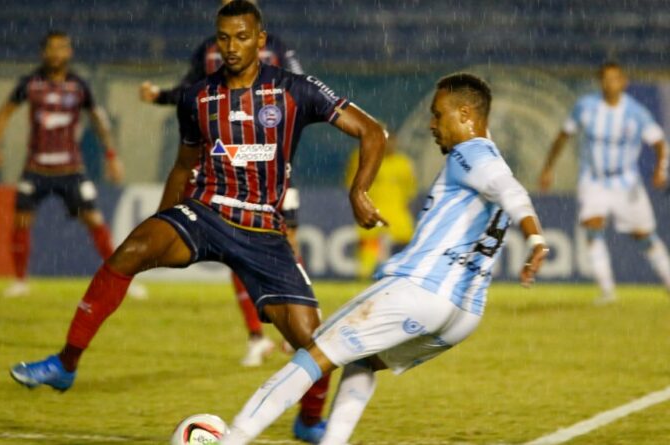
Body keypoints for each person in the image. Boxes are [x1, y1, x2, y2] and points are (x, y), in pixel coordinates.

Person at [10, 2, 387, 443]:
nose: (231, 47)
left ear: (261, 41)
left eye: (242, 37)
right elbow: (183, 165)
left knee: (316, 344)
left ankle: (307, 420)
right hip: (205, 211)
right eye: (223, 38)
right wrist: (164, 218)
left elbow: (372, 131)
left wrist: (358, 190)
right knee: (129, 252)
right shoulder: (197, 97)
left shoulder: (295, 89)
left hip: (264, 229)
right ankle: (65, 364)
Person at [217, 73, 548, 445]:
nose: (431, 124)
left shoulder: (470, 153)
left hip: (420, 290)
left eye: (438, 115)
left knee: (314, 354)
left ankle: (231, 439)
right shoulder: (494, 158)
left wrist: (534, 236)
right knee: (363, 359)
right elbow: (509, 190)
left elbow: (510, 191)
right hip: (464, 314)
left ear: (467, 115)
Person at [140, 0, 303, 368]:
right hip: (225, 169)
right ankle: (256, 337)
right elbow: (189, 90)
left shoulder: (276, 47)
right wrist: (160, 97)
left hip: (269, 168)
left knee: (287, 244)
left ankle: (295, 329)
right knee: (235, 253)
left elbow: (297, 93)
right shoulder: (209, 49)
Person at [0, 31, 128, 299]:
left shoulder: (78, 85)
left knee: (94, 219)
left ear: (69, 52)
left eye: (62, 48)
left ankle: (118, 277)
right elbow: (4, 113)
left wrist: (111, 156)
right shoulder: (31, 83)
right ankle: (20, 282)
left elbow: (98, 119)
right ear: (44, 53)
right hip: (36, 168)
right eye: (51, 48)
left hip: (70, 169)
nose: (56, 53)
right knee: (21, 220)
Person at [540, 61, 670, 305]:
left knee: (644, 236)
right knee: (592, 228)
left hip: (626, 181)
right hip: (594, 180)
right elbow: (563, 136)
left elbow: (660, 143)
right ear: (600, 82)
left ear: (624, 82)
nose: (610, 83)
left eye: (615, 78)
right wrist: (548, 168)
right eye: (605, 79)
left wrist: (660, 170)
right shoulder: (585, 107)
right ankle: (607, 290)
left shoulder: (636, 113)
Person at [344, 129, 417, 279]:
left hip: (397, 212)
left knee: (407, 246)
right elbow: (352, 183)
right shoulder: (366, 159)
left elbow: (410, 189)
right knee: (369, 250)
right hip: (372, 210)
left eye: (392, 141)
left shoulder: (403, 163)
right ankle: (364, 278)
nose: (390, 145)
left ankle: (401, 276)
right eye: (386, 141)